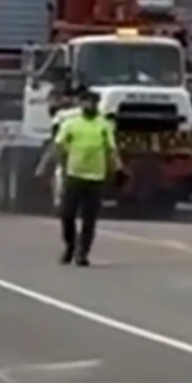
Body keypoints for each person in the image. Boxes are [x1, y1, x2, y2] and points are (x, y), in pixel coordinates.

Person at [52, 89, 120, 266]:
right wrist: (60, 164)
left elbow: (111, 150)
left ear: (96, 104)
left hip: (95, 178)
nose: (88, 105)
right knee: (67, 215)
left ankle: (82, 252)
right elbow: (59, 145)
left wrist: (118, 168)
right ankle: (70, 246)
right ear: (81, 104)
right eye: (85, 102)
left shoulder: (103, 125)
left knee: (89, 219)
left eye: (91, 102)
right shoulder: (71, 124)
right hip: (74, 175)